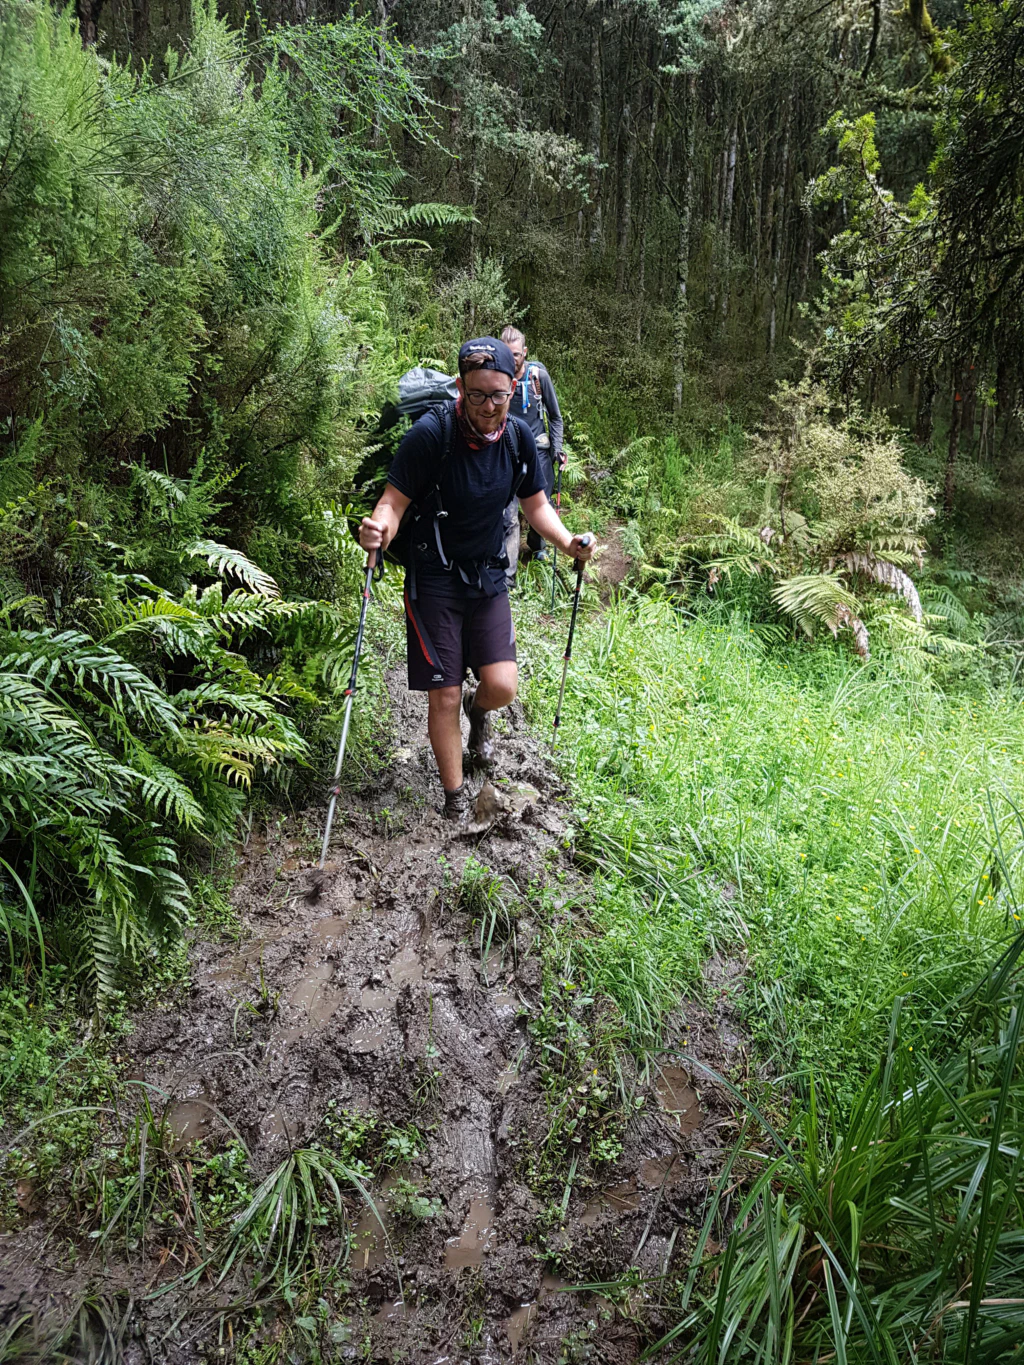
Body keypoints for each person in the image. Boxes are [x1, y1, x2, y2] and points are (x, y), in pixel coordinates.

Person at [359, 337, 595, 822]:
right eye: (477, 395)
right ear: (460, 388)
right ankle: (454, 798)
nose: (488, 407)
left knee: (502, 686)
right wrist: (379, 528)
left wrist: (567, 542)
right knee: (443, 693)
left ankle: (478, 709)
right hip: (433, 576)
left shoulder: (517, 438)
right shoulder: (432, 434)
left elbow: (536, 505)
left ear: (514, 386)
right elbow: (393, 503)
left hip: (487, 573)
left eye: (498, 395)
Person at [499, 326, 565, 582]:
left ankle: (538, 547)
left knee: (542, 505)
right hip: (507, 451)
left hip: (538, 451)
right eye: (507, 354)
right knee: (508, 515)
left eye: (516, 354)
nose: (512, 359)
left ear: (525, 352)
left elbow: (555, 417)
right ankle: (508, 576)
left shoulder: (539, 377)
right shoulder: (498, 377)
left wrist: (557, 450)